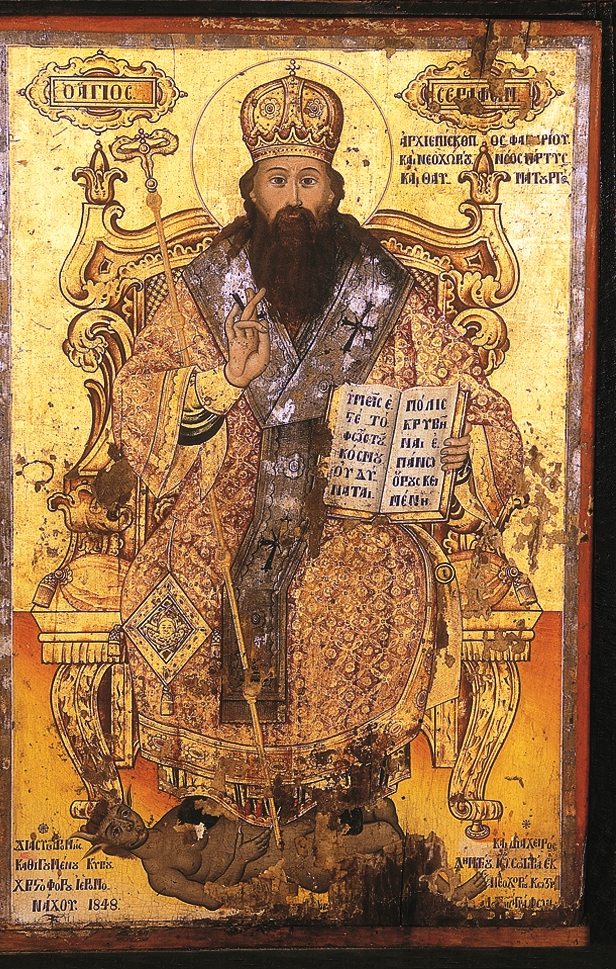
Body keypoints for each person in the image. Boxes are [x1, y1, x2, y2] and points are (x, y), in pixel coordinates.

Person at [112, 66, 522, 819]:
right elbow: (140, 403)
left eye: (309, 180)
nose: (294, 198)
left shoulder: (383, 290)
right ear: (252, 192)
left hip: (350, 512)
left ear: (333, 192)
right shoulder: (208, 286)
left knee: (357, 586)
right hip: (229, 500)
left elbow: (476, 400)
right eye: (278, 180)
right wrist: (223, 383)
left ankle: (344, 795)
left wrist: (462, 450)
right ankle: (220, 799)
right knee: (174, 583)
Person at [77, 795, 404, 909]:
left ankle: (390, 840)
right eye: (116, 830)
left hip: (271, 824)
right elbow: (213, 899)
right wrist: (241, 858)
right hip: (270, 857)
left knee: (368, 810)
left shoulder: (171, 817)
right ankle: (392, 845)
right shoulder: (160, 876)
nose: (129, 825)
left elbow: (220, 807)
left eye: (124, 814)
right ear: (113, 846)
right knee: (370, 841)